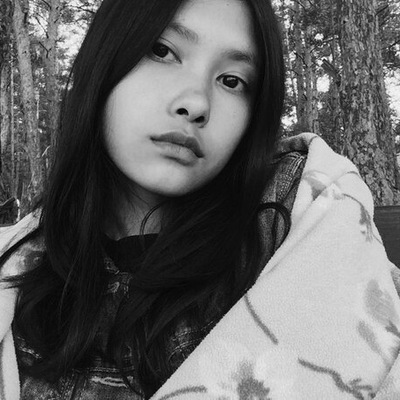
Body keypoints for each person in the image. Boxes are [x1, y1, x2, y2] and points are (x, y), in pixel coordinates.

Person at [1, 0, 400, 399]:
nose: (196, 104)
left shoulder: (299, 230)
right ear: (104, 59)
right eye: (163, 51)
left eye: (232, 81)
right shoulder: (19, 266)